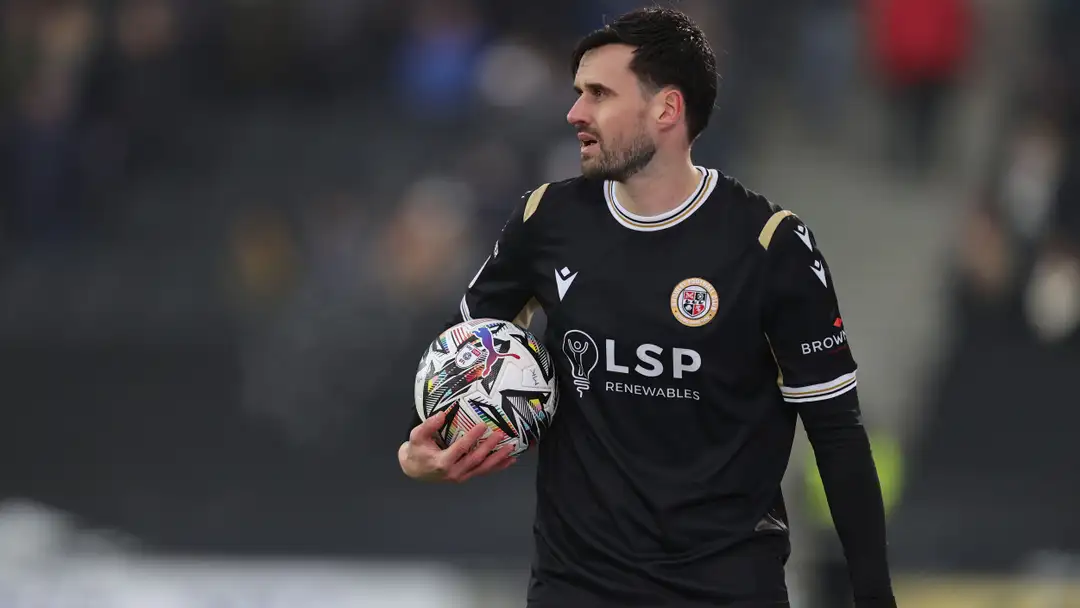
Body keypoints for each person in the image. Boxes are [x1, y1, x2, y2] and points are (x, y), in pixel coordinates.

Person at [398, 8, 896, 608]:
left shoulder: (770, 245)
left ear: (667, 109)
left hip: (725, 590)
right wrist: (424, 452)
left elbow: (837, 436)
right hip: (575, 588)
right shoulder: (546, 220)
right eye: (577, 92)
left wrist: (874, 598)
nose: (574, 113)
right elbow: (469, 355)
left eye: (599, 94)